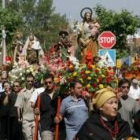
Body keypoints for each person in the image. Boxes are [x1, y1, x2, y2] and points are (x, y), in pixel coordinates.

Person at [34, 73, 58, 140]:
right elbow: (36, 108)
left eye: (50, 82)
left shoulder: (59, 95)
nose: (48, 84)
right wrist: (36, 110)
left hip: (59, 126)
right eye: (46, 83)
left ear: (53, 82)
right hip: (46, 127)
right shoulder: (40, 96)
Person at [15, 73, 35, 140]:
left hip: (35, 119)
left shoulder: (36, 91)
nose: (30, 83)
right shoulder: (22, 92)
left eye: (31, 81)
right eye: (28, 81)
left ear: (34, 81)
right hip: (26, 119)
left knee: (36, 137)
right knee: (28, 137)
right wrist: (19, 117)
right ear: (26, 81)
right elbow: (19, 106)